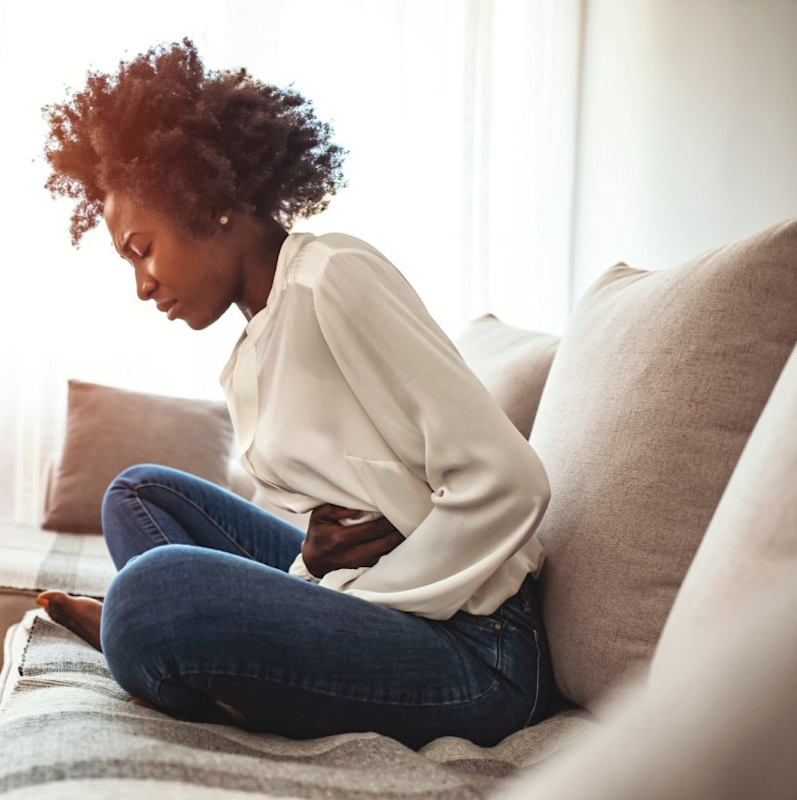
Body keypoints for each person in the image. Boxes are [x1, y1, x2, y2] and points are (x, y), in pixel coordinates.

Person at [35, 38, 554, 749]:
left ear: (211, 202)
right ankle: (201, 657)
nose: (143, 283)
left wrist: (329, 593)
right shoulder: (257, 337)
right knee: (138, 497)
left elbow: (511, 481)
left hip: (479, 648)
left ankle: (176, 652)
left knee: (149, 600)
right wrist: (310, 570)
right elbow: (337, 535)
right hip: (386, 597)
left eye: (142, 248)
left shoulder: (332, 278)